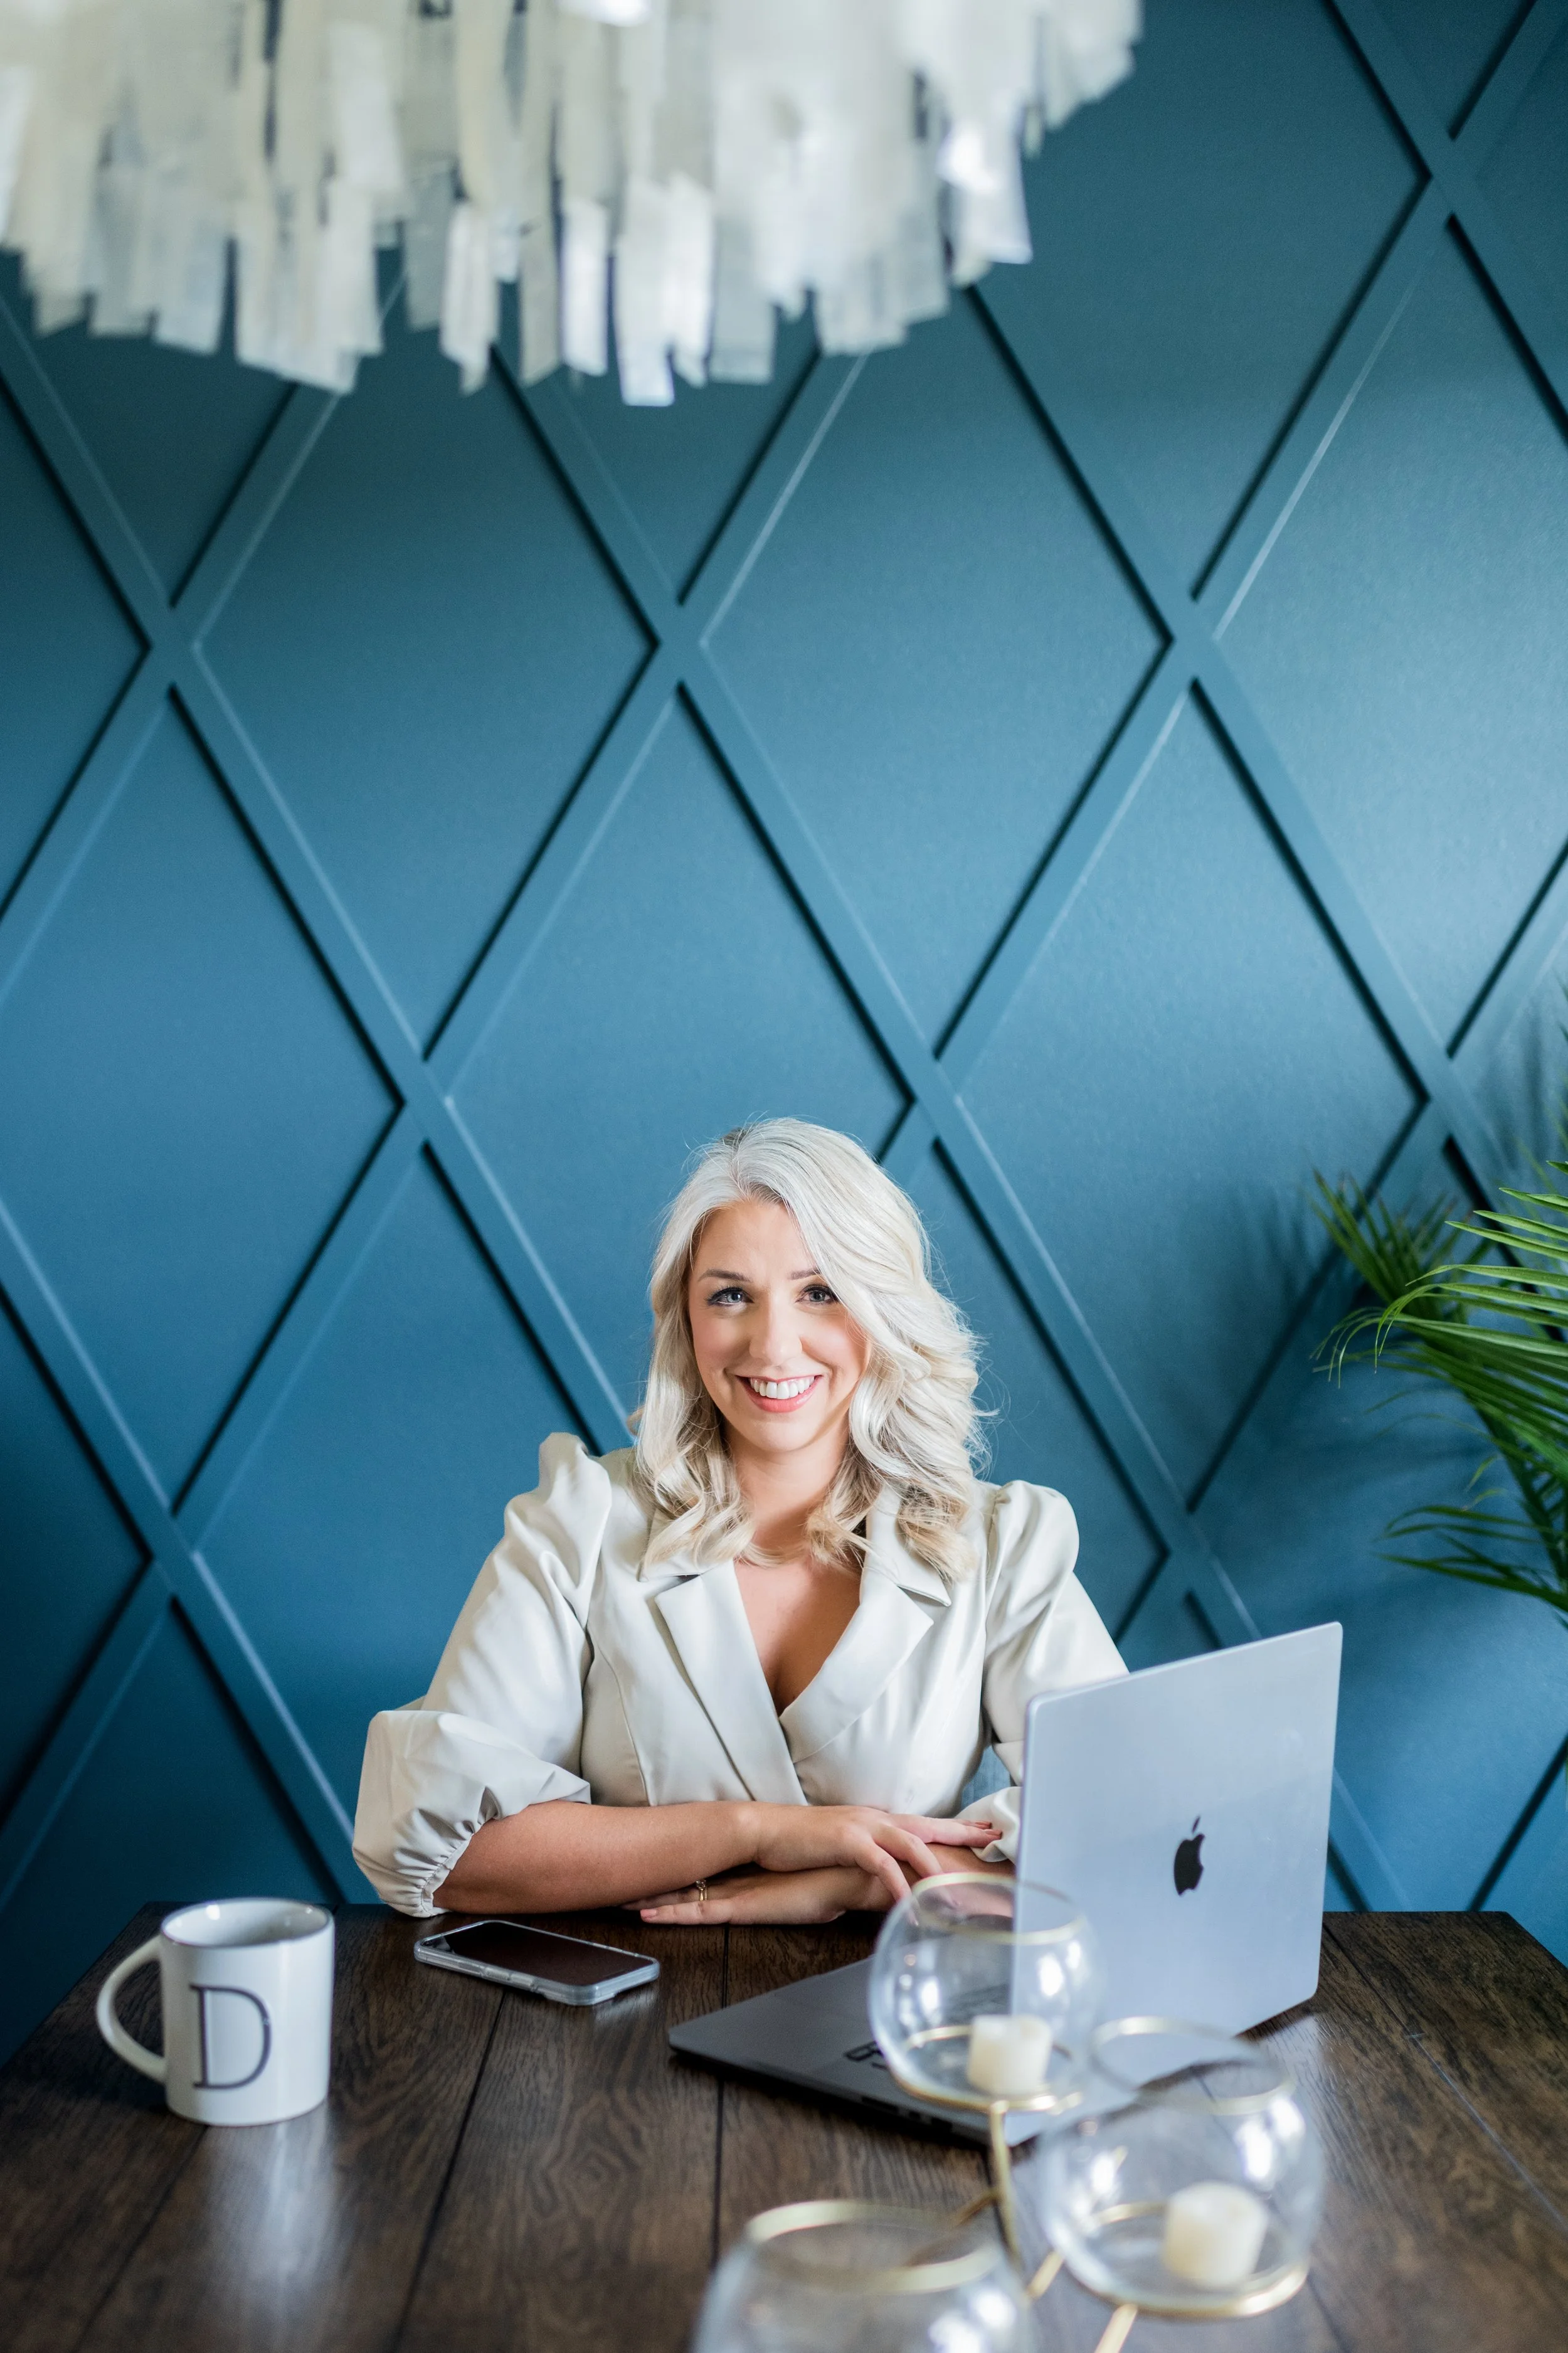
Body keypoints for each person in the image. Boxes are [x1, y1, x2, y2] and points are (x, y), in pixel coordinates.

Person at [353, 1119, 1125, 1924]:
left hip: (897, 2014)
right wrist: (759, 1833)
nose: (773, 1343)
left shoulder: (1003, 1545)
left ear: (882, 1311)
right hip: (624, 2024)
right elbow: (444, 1855)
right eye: (731, 1295)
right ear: (686, 1320)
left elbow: (1128, 1828)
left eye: (819, 1291)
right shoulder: (579, 1521)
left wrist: (857, 1878)